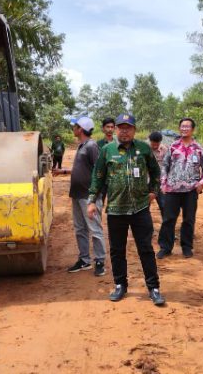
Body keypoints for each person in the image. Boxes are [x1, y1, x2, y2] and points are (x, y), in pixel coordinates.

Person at [87, 114, 165, 306]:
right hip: (115, 209)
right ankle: (120, 284)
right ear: (116, 130)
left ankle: (153, 288)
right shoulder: (107, 150)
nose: (124, 131)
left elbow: (156, 172)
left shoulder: (144, 149)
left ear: (134, 130)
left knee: (146, 249)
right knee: (117, 250)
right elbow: (97, 177)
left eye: (128, 127)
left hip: (140, 208)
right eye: (121, 127)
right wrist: (91, 200)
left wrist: (154, 191)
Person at [53, 117, 108, 276]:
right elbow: (83, 169)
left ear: (81, 129)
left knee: (94, 229)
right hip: (77, 194)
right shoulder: (81, 145)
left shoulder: (91, 146)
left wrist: (95, 196)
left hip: (88, 196)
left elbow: (99, 172)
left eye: (75, 126)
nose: (73, 128)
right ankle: (84, 260)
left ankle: (100, 260)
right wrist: (64, 171)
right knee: (80, 229)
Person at [157, 118, 203, 259]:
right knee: (168, 219)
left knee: (189, 219)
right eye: (182, 126)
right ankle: (165, 247)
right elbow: (165, 166)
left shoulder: (199, 149)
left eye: (187, 127)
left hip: (190, 191)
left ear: (192, 129)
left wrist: (202, 183)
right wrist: (163, 183)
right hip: (172, 190)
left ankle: (187, 247)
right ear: (179, 128)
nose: (184, 129)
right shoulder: (173, 147)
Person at [148, 131, 168, 219]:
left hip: (160, 182)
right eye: (153, 143)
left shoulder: (165, 150)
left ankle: (166, 227)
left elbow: (168, 165)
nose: (155, 145)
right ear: (150, 141)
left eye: (157, 143)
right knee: (144, 207)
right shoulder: (144, 148)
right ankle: (145, 228)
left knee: (164, 205)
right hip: (146, 182)